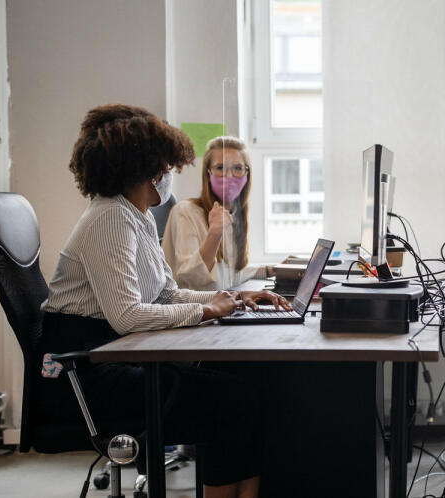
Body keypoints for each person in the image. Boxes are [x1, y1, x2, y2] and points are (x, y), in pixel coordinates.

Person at [38, 104, 290, 498]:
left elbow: (167, 292)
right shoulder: (109, 218)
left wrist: (234, 298)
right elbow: (126, 316)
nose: (170, 173)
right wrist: (207, 309)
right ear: (143, 168)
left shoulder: (134, 215)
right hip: (86, 371)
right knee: (232, 401)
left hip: (116, 355)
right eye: (165, 165)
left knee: (247, 388)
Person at [163, 136, 266, 290]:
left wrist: (272, 270)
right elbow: (190, 280)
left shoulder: (235, 214)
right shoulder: (185, 212)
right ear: (208, 174)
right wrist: (214, 233)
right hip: (194, 310)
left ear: (247, 174)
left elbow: (229, 276)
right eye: (220, 168)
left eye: (237, 168)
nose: (229, 176)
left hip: (220, 306)